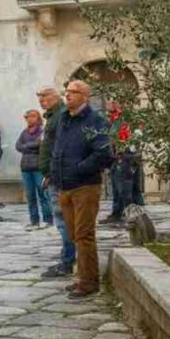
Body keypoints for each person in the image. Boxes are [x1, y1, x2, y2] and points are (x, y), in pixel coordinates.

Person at [51, 80, 113, 299]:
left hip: (85, 185)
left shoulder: (94, 121)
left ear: (85, 96)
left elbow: (103, 153)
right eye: (66, 91)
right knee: (74, 234)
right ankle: (83, 276)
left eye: (73, 92)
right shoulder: (63, 119)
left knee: (85, 234)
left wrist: (79, 169)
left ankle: (88, 283)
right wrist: (53, 173)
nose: (67, 95)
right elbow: (57, 148)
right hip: (65, 185)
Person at [37, 87, 76, 279]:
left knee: (63, 220)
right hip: (53, 175)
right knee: (63, 220)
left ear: (55, 97)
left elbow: (59, 148)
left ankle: (68, 261)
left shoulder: (59, 117)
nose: (41, 101)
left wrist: (52, 173)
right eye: (40, 98)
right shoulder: (53, 117)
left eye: (44, 97)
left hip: (58, 177)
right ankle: (67, 258)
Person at [103, 100, 143, 225]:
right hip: (118, 157)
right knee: (116, 187)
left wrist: (121, 152)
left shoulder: (123, 120)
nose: (107, 105)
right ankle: (117, 213)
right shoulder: (114, 119)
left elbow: (125, 138)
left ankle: (132, 214)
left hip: (125, 157)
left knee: (125, 187)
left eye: (110, 103)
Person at [15, 110, 52, 231]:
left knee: (43, 194)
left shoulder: (42, 131)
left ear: (38, 118)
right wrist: (31, 146)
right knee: (30, 196)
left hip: (38, 167)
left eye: (32, 116)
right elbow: (18, 146)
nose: (29, 119)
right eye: (27, 117)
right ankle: (34, 220)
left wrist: (27, 146)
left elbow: (40, 144)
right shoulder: (24, 133)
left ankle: (47, 220)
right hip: (26, 168)